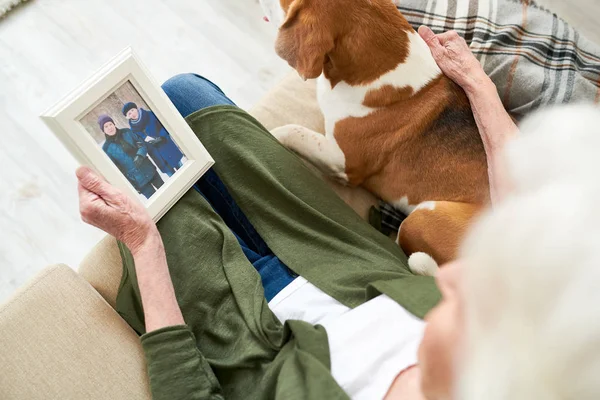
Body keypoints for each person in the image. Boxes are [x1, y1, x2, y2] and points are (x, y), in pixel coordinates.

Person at [76, 27, 600, 400]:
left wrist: (145, 246)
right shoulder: (526, 359)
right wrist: (479, 87)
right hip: (335, 250)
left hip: (238, 329)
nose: (455, 275)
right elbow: (520, 222)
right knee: (184, 96)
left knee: (125, 145)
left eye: (462, 304)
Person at [99, 114, 164, 199]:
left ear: (114, 124)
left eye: (110, 124)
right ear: (103, 130)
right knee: (156, 201)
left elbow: (142, 144)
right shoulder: (106, 148)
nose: (109, 127)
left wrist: (140, 155)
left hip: (149, 170)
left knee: (166, 191)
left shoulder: (127, 132)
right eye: (106, 126)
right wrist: (132, 185)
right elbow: (118, 170)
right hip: (138, 181)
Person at [123, 102, 184, 177]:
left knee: (183, 169)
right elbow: (140, 145)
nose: (132, 114)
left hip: (166, 146)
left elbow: (164, 125)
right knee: (173, 176)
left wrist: (162, 137)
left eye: (132, 110)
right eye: (129, 113)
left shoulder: (150, 114)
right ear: (128, 117)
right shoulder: (133, 130)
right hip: (157, 155)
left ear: (136, 108)